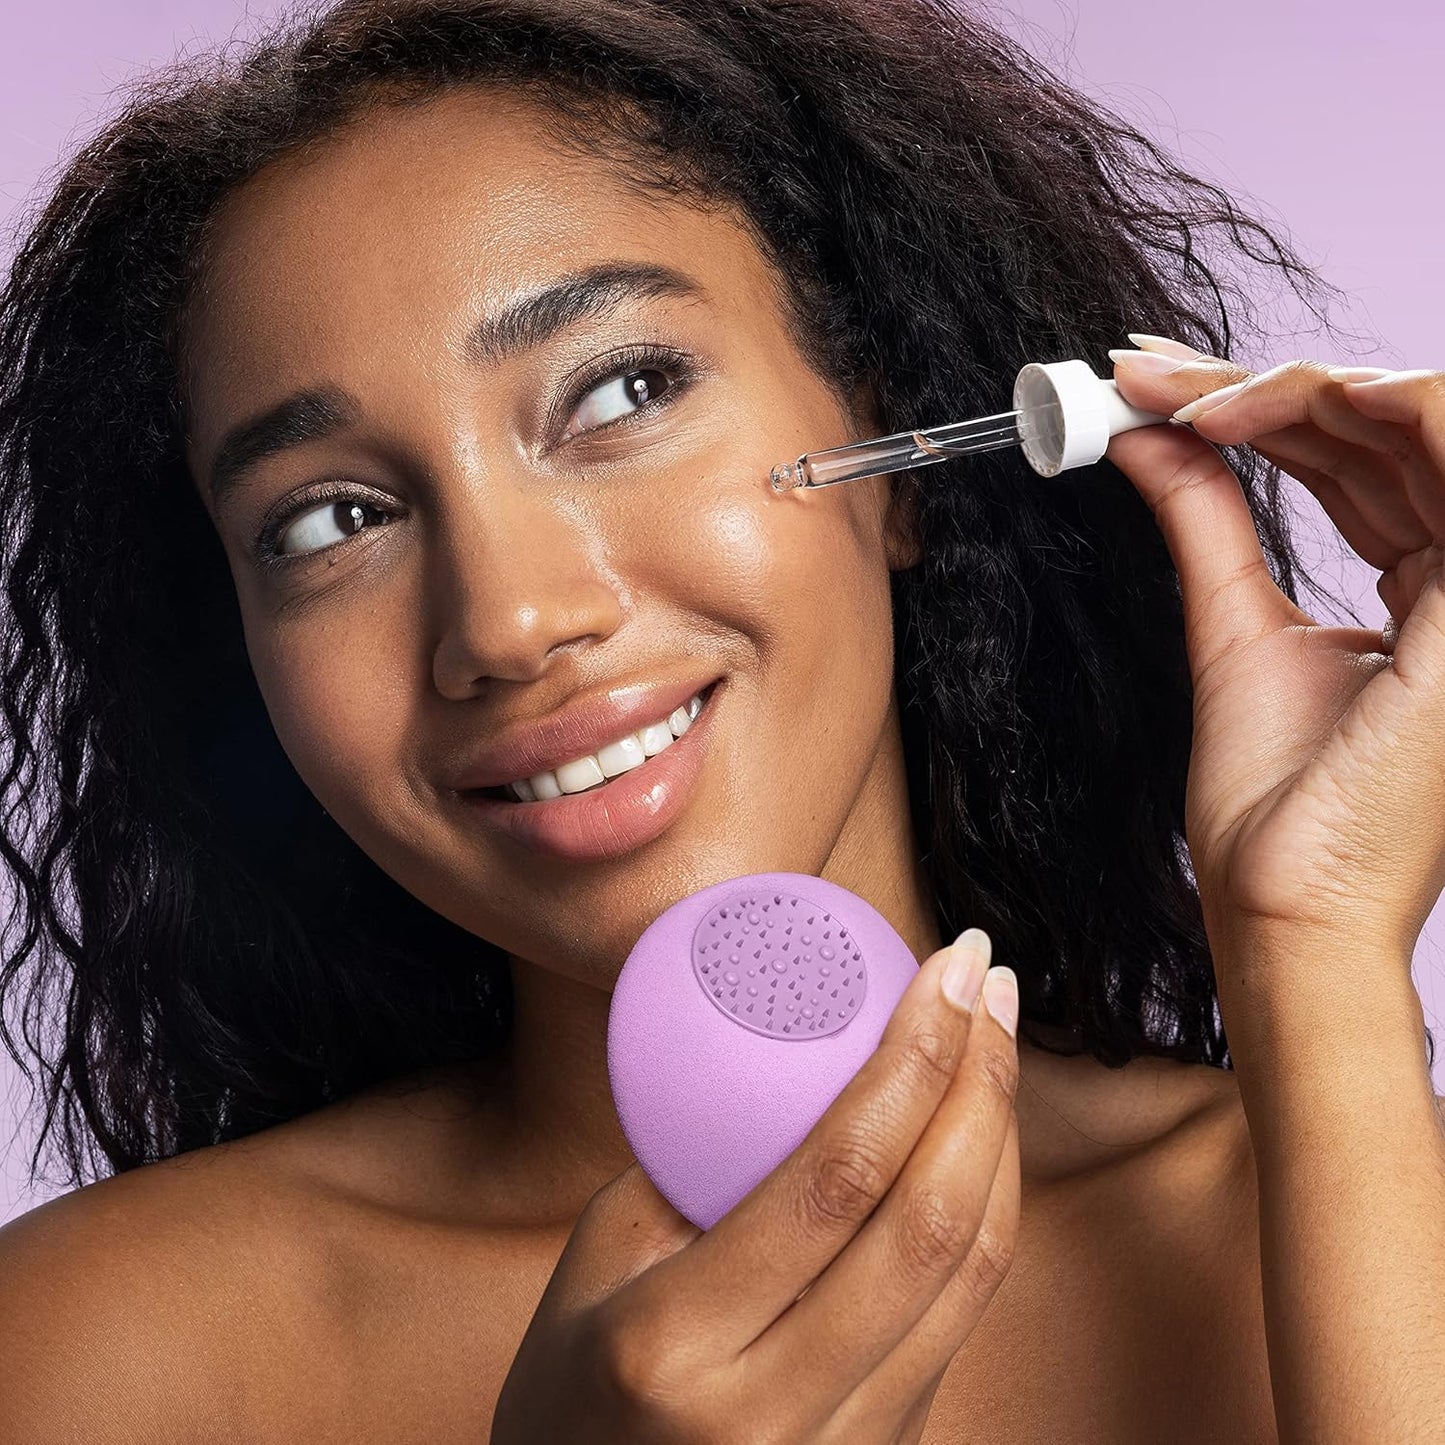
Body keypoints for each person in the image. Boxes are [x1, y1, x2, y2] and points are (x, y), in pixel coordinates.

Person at [3, 1, 1443, 1440]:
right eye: (333, 517)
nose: (506, 620)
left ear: (898, 462)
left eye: (623, 390)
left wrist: (1316, 949)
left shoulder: (1333, 1232)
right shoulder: (91, 1354)